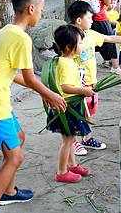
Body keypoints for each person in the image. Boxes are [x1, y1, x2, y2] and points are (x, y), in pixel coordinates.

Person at [0, 0, 67, 212]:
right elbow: (31, 78)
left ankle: (9, 191)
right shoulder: (22, 38)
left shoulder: (7, 31)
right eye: (42, 9)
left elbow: (11, 74)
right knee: (15, 158)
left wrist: (45, 93)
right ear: (31, 9)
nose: (42, 14)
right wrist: (51, 95)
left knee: (19, 136)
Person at [67, 0, 121, 155]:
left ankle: (87, 138)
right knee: (75, 113)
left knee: (89, 112)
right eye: (89, 17)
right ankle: (73, 142)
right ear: (79, 20)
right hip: (75, 84)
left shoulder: (91, 34)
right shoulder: (70, 37)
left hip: (91, 82)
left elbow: (110, 38)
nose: (93, 20)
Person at [47, 24, 93, 182]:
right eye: (80, 43)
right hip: (66, 107)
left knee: (70, 138)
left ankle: (72, 165)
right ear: (68, 47)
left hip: (69, 106)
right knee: (67, 141)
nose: (82, 45)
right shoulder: (66, 64)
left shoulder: (69, 60)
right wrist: (83, 91)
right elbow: (65, 87)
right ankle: (61, 172)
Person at [77, 0, 120, 73]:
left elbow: (108, 3)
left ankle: (115, 66)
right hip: (85, 15)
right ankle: (82, 65)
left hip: (100, 15)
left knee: (109, 37)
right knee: (84, 40)